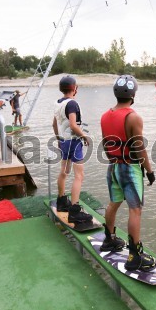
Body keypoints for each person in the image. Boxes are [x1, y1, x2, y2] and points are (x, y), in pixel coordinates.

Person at [100, 74, 156, 272]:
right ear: (133, 95)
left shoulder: (105, 116)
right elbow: (139, 149)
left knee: (113, 203)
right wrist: (149, 171)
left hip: (113, 166)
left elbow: (107, 145)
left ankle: (110, 239)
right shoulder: (133, 117)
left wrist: (114, 161)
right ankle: (134, 256)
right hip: (130, 168)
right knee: (135, 209)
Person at [52, 75, 93, 223]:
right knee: (79, 175)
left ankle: (62, 201)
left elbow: (54, 124)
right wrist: (84, 137)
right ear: (74, 88)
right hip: (74, 142)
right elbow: (74, 125)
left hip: (63, 141)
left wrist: (58, 139)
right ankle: (75, 211)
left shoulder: (58, 103)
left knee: (64, 171)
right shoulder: (72, 104)